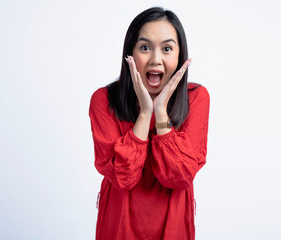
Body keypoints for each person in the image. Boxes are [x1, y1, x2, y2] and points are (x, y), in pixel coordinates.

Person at [89, 7, 210, 240]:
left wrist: (161, 111)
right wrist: (145, 113)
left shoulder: (196, 98)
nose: (156, 59)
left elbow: (179, 177)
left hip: (174, 228)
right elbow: (124, 177)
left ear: (179, 55)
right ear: (130, 54)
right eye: (145, 47)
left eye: (167, 48)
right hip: (118, 229)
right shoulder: (103, 100)